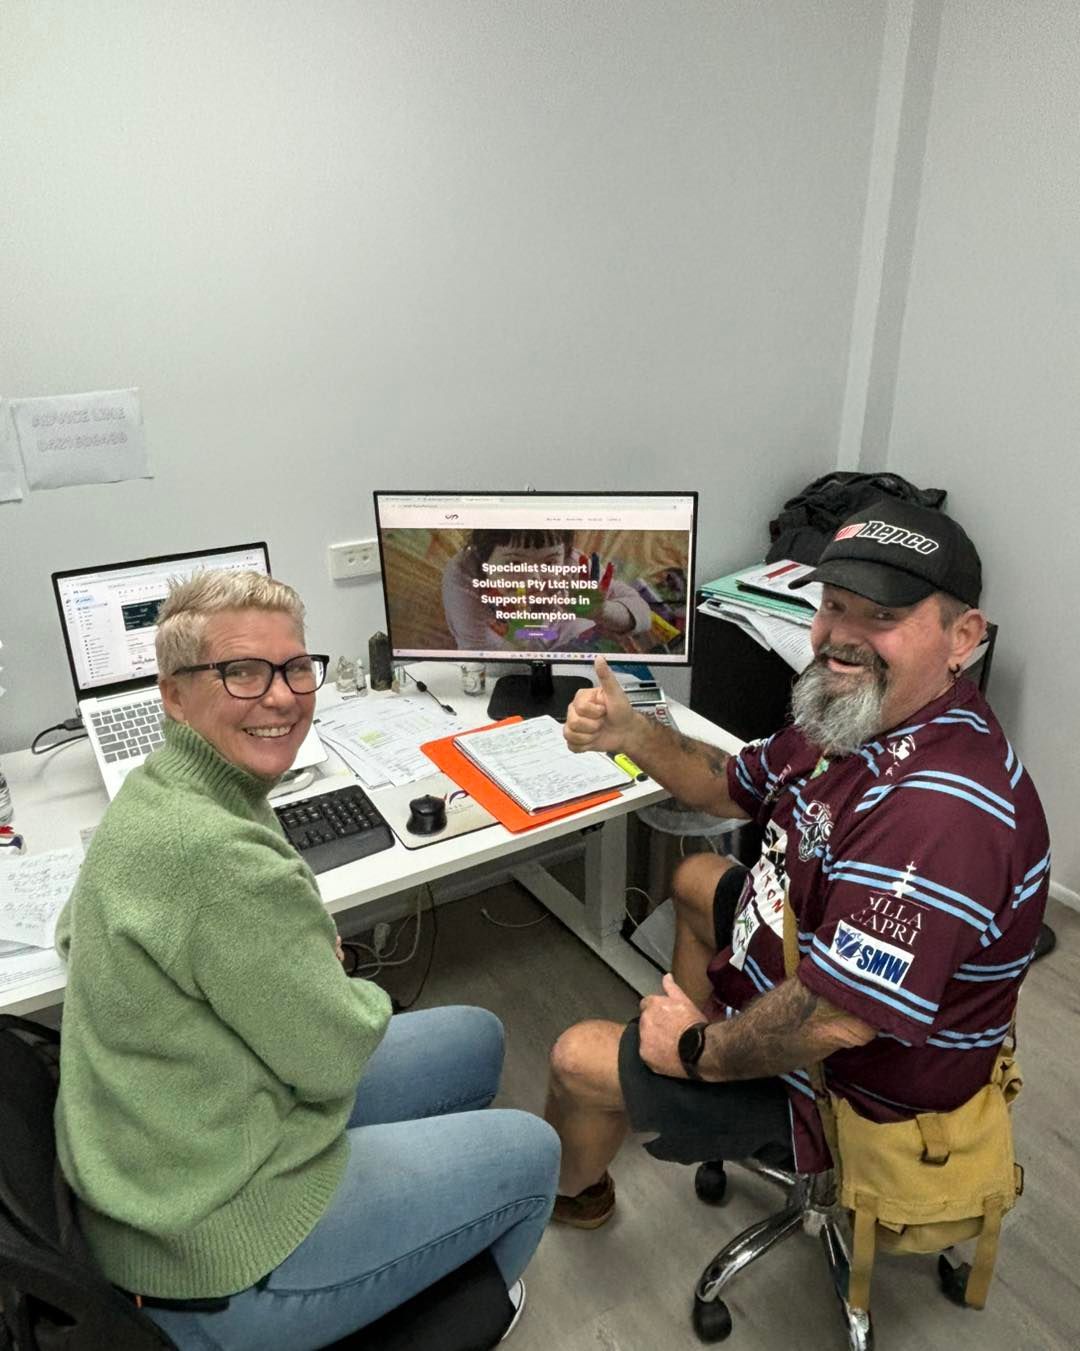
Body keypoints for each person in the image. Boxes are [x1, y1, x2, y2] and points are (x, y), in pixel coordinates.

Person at [54, 569, 559, 1349]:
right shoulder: (218, 855)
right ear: (174, 693)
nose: (283, 695)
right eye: (242, 672)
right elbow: (331, 1057)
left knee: (479, 1037)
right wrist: (328, 969)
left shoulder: (157, 791)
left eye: (294, 667)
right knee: (534, 1152)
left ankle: (414, 1236)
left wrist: (250, 973)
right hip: (215, 1244)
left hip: (172, 1151)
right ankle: (448, 1305)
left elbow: (69, 931)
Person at [544, 498, 1049, 1226]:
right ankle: (686, 1062)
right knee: (695, 880)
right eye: (833, 605)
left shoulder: (942, 813)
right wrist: (631, 730)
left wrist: (695, 1050)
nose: (840, 637)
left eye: (881, 617)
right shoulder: (860, 711)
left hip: (855, 1090)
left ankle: (578, 1191)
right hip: (806, 961)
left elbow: (835, 1020)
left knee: (573, 1057)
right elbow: (727, 783)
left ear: (962, 636)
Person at [441, 529, 651, 652]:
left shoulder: (573, 565)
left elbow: (643, 615)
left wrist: (602, 612)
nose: (534, 578)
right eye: (514, 563)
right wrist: (520, 633)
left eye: (549, 563)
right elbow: (483, 663)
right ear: (484, 558)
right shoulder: (465, 577)